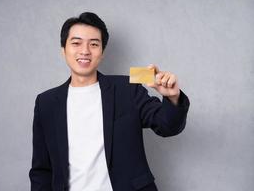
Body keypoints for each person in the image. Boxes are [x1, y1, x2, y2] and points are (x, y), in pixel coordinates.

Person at [29, 12, 190, 191]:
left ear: (102, 52)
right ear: (63, 50)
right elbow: (41, 170)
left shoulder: (127, 89)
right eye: (76, 43)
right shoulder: (46, 102)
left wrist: (172, 97)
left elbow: (168, 126)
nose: (85, 51)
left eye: (94, 44)